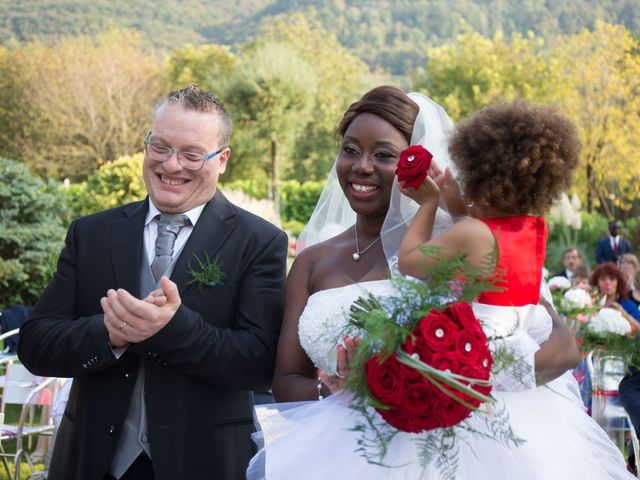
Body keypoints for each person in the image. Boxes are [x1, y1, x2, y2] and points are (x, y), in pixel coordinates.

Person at [247, 88, 594, 479]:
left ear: (420, 162)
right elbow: (286, 379)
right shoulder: (312, 261)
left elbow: (561, 348)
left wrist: (438, 381)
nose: (361, 166)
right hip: (345, 455)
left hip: (466, 459)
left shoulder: (470, 243)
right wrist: (338, 391)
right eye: (349, 150)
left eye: (383, 155)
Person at [17, 85, 288, 480]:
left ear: (222, 158)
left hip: (203, 465)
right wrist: (108, 333)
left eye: (192, 154)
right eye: (159, 147)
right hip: (93, 462)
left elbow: (261, 364)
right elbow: (36, 343)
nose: (171, 165)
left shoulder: (258, 241)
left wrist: (175, 329)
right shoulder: (91, 233)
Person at [395, 100, 633, 478]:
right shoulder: (534, 228)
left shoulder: (473, 233)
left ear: (479, 176)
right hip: (524, 367)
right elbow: (491, 255)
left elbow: (408, 259)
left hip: (477, 364)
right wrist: (461, 207)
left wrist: (427, 203)